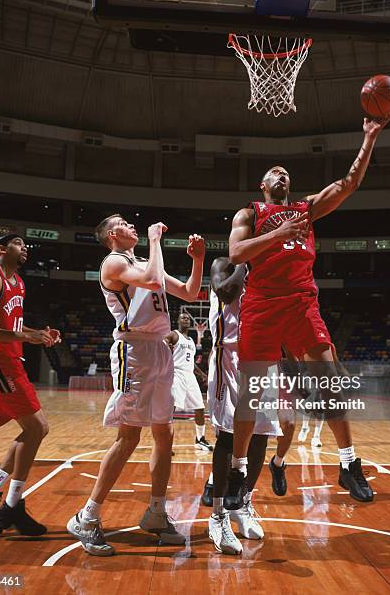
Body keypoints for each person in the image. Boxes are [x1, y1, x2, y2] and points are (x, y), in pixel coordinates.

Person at [225, 115, 390, 509]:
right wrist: (278, 234)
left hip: (301, 304)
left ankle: (349, 464)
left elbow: (348, 183)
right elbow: (235, 254)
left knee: (332, 382)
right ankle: (235, 470)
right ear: (263, 187)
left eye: (286, 172)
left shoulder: (306, 209)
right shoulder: (249, 214)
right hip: (262, 306)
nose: (281, 174)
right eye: (274, 173)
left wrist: (368, 136)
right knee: (250, 395)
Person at [67, 214, 204, 556]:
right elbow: (151, 280)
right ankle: (87, 516)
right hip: (135, 351)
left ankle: (157, 512)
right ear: (113, 234)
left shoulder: (143, 261)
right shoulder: (113, 263)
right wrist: (154, 239)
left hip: (160, 349)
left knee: (165, 433)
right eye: (126, 224)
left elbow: (188, 293)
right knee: (128, 436)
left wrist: (197, 260)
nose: (132, 227)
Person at [0, 234, 60, 535]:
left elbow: (12, 327)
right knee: (37, 428)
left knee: (34, 429)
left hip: (8, 358)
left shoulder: (17, 281)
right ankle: (9, 504)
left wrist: (38, 334)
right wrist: (24, 338)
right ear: (2, 249)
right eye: (18, 243)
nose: (25, 247)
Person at [204, 257, 282, 555]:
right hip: (231, 356)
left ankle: (243, 503)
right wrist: (246, 263)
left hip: (264, 355)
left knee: (261, 434)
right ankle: (218, 516)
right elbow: (226, 292)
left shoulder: (270, 269)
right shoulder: (224, 264)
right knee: (228, 435)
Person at [165, 313, 213, 451]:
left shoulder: (191, 340)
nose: (186, 319)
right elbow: (164, 340)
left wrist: (203, 375)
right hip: (176, 374)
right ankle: (165, 443)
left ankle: (200, 439)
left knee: (199, 407)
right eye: (183, 317)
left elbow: (191, 363)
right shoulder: (174, 334)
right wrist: (166, 345)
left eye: (187, 318)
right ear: (178, 321)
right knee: (171, 409)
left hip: (189, 375)